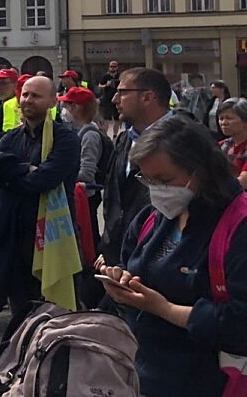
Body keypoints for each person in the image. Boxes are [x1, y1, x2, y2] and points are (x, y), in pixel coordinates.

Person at [95, 116, 247, 397]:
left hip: (210, 381)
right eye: (147, 179)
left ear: (200, 171)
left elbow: (240, 325)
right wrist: (122, 285)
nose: (157, 190)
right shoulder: (154, 218)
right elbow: (133, 265)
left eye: (165, 180)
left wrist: (165, 309)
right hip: (145, 373)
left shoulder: (237, 225)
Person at [0, 76, 80, 315]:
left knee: (52, 311)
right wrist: (25, 169)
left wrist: (11, 173)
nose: (28, 99)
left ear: (52, 101)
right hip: (13, 233)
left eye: (36, 96)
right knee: (19, 307)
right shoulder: (11, 137)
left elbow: (43, 181)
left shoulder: (66, 139)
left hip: (51, 235)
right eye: (25, 94)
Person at [101, 67, 173, 264]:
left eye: (122, 93)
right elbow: (112, 196)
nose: (115, 99)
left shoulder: (182, 140)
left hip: (160, 261)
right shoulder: (124, 139)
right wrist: (108, 248)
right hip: (120, 257)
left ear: (147, 97)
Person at [59, 86, 111, 239]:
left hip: (87, 197)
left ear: (77, 107)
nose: (64, 109)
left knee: (89, 236)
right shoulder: (82, 131)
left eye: (68, 105)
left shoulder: (89, 136)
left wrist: (62, 174)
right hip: (83, 196)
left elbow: (87, 173)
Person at [216, 97, 247, 189]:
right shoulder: (221, 145)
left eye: (229, 118)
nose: (223, 123)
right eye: (221, 118)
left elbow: (242, 183)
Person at [98, 60, 121, 133]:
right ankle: (105, 135)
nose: (112, 68)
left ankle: (115, 136)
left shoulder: (120, 76)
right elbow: (99, 85)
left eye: (114, 66)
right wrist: (106, 85)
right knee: (106, 119)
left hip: (117, 99)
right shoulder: (106, 76)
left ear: (117, 67)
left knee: (117, 119)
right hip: (107, 100)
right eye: (111, 66)